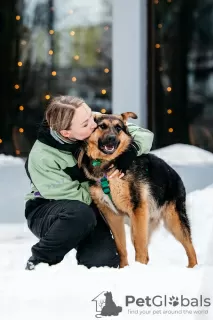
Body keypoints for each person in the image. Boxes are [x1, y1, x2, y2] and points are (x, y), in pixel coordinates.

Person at [24, 96, 154, 270]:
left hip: (90, 210)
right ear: (66, 133)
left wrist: (130, 152)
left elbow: (144, 134)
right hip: (48, 210)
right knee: (79, 214)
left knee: (103, 263)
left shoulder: (89, 120)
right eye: (86, 124)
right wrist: (110, 189)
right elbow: (76, 195)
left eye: (91, 118)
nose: (94, 125)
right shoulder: (42, 157)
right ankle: (40, 261)